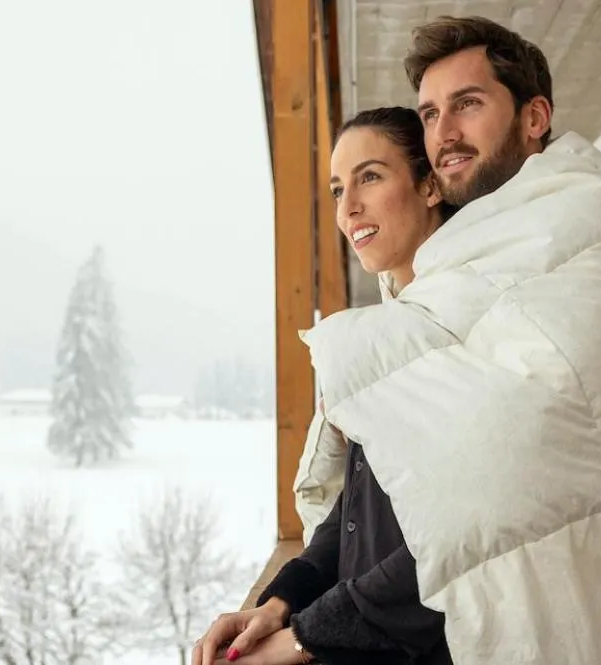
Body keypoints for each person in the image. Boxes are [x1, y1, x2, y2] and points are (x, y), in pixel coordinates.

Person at [291, 15, 601, 665]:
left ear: (534, 116)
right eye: (429, 114)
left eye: (467, 105)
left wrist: (307, 630)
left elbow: (500, 493)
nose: (443, 134)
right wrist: (290, 596)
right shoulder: (447, 283)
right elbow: (378, 496)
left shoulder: (583, 232)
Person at [189, 106, 456, 665]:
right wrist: (282, 601)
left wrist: (303, 638)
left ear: (429, 185)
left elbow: (450, 541)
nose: (348, 207)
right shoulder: (382, 333)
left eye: (371, 177)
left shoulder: (456, 332)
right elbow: (359, 509)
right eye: (338, 188)